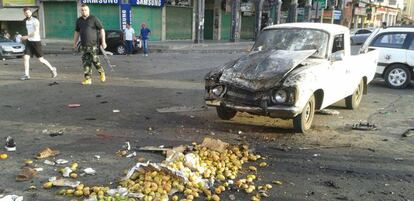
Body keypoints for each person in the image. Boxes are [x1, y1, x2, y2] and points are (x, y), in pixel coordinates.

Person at [73, 4, 107, 85]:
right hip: (84, 46)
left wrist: (103, 41)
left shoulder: (93, 19)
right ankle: (88, 79)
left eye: (85, 10)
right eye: (82, 10)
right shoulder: (79, 20)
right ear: (80, 11)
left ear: (88, 10)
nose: (84, 11)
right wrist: (74, 42)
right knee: (86, 62)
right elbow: (77, 32)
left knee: (95, 60)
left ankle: (101, 72)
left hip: (93, 45)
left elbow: (102, 29)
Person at [20, 7, 57, 81]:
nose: (27, 14)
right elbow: (29, 32)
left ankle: (52, 69)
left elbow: (36, 32)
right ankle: (26, 75)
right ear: (24, 14)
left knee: (41, 59)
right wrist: (23, 37)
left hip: (36, 42)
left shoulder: (35, 21)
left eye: (28, 12)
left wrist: (26, 37)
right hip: (29, 42)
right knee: (26, 57)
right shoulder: (26, 21)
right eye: (25, 13)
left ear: (31, 12)